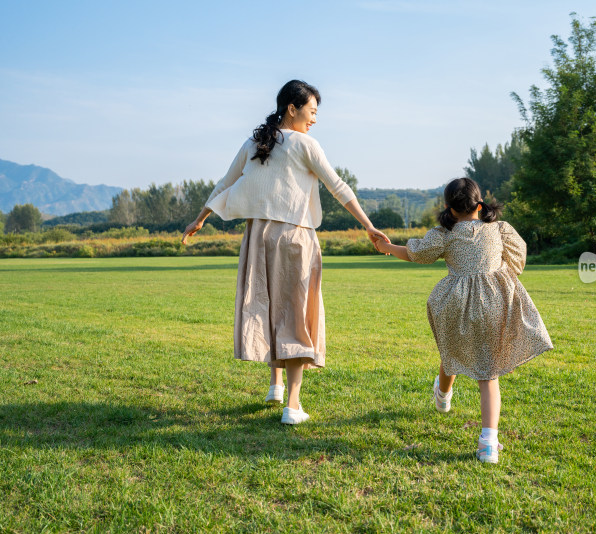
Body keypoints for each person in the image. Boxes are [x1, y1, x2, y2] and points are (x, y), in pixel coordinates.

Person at [182, 80, 388, 425]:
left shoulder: (255, 143)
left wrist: (199, 218)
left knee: (267, 306)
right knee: (293, 313)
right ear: (292, 108)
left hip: (257, 236)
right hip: (294, 236)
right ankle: (292, 406)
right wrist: (368, 225)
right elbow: (338, 186)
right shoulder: (305, 144)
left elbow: (225, 182)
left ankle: (275, 385)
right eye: (312, 111)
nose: (315, 119)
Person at [375, 178, 553, 463]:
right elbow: (519, 258)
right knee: (488, 374)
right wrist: (500, 270)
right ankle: (488, 444)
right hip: (494, 303)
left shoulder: (444, 234)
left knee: (453, 351)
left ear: (449, 208)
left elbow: (415, 254)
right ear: (479, 202)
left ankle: (443, 394)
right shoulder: (499, 229)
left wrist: (386, 247)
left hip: (455, 303)